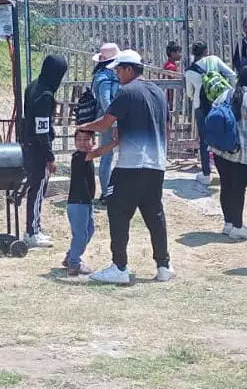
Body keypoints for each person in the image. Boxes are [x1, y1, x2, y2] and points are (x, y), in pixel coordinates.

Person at [82, 50, 172, 285]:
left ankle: (119, 266)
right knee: (155, 214)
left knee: (118, 211)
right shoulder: (158, 93)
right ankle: (163, 266)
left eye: (119, 70)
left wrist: (83, 127)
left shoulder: (127, 92)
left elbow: (105, 123)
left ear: (129, 69)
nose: (117, 75)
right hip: (157, 164)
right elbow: (166, 127)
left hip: (131, 165)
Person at [21, 54, 69, 248]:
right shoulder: (45, 95)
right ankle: (32, 232)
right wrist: (50, 157)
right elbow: (42, 130)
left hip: (30, 145)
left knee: (35, 189)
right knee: (38, 189)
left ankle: (35, 228)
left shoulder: (33, 86)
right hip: (38, 149)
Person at [211, 65, 247, 241]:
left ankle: (228, 223)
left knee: (226, 186)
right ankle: (238, 226)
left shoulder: (223, 95)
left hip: (220, 149)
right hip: (244, 153)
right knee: (238, 189)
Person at [185, 42, 237, 185]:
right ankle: (226, 172)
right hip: (219, 104)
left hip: (200, 106)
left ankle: (206, 174)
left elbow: (189, 93)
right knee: (223, 134)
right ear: (206, 51)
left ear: (193, 53)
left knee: (204, 140)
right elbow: (231, 74)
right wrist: (227, 91)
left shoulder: (189, 71)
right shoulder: (214, 60)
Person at [64, 129, 113, 276]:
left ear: (93, 142)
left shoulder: (87, 157)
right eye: (79, 139)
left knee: (89, 231)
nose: (82, 142)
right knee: (80, 235)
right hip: (77, 203)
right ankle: (74, 263)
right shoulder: (78, 156)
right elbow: (97, 153)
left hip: (86, 202)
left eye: (86, 139)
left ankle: (70, 256)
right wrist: (114, 142)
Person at [91, 43, 122, 195]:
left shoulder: (100, 75)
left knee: (108, 155)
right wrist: (115, 123)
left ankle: (109, 190)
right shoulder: (106, 77)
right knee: (107, 156)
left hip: (108, 120)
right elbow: (106, 103)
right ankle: (106, 192)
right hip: (109, 121)